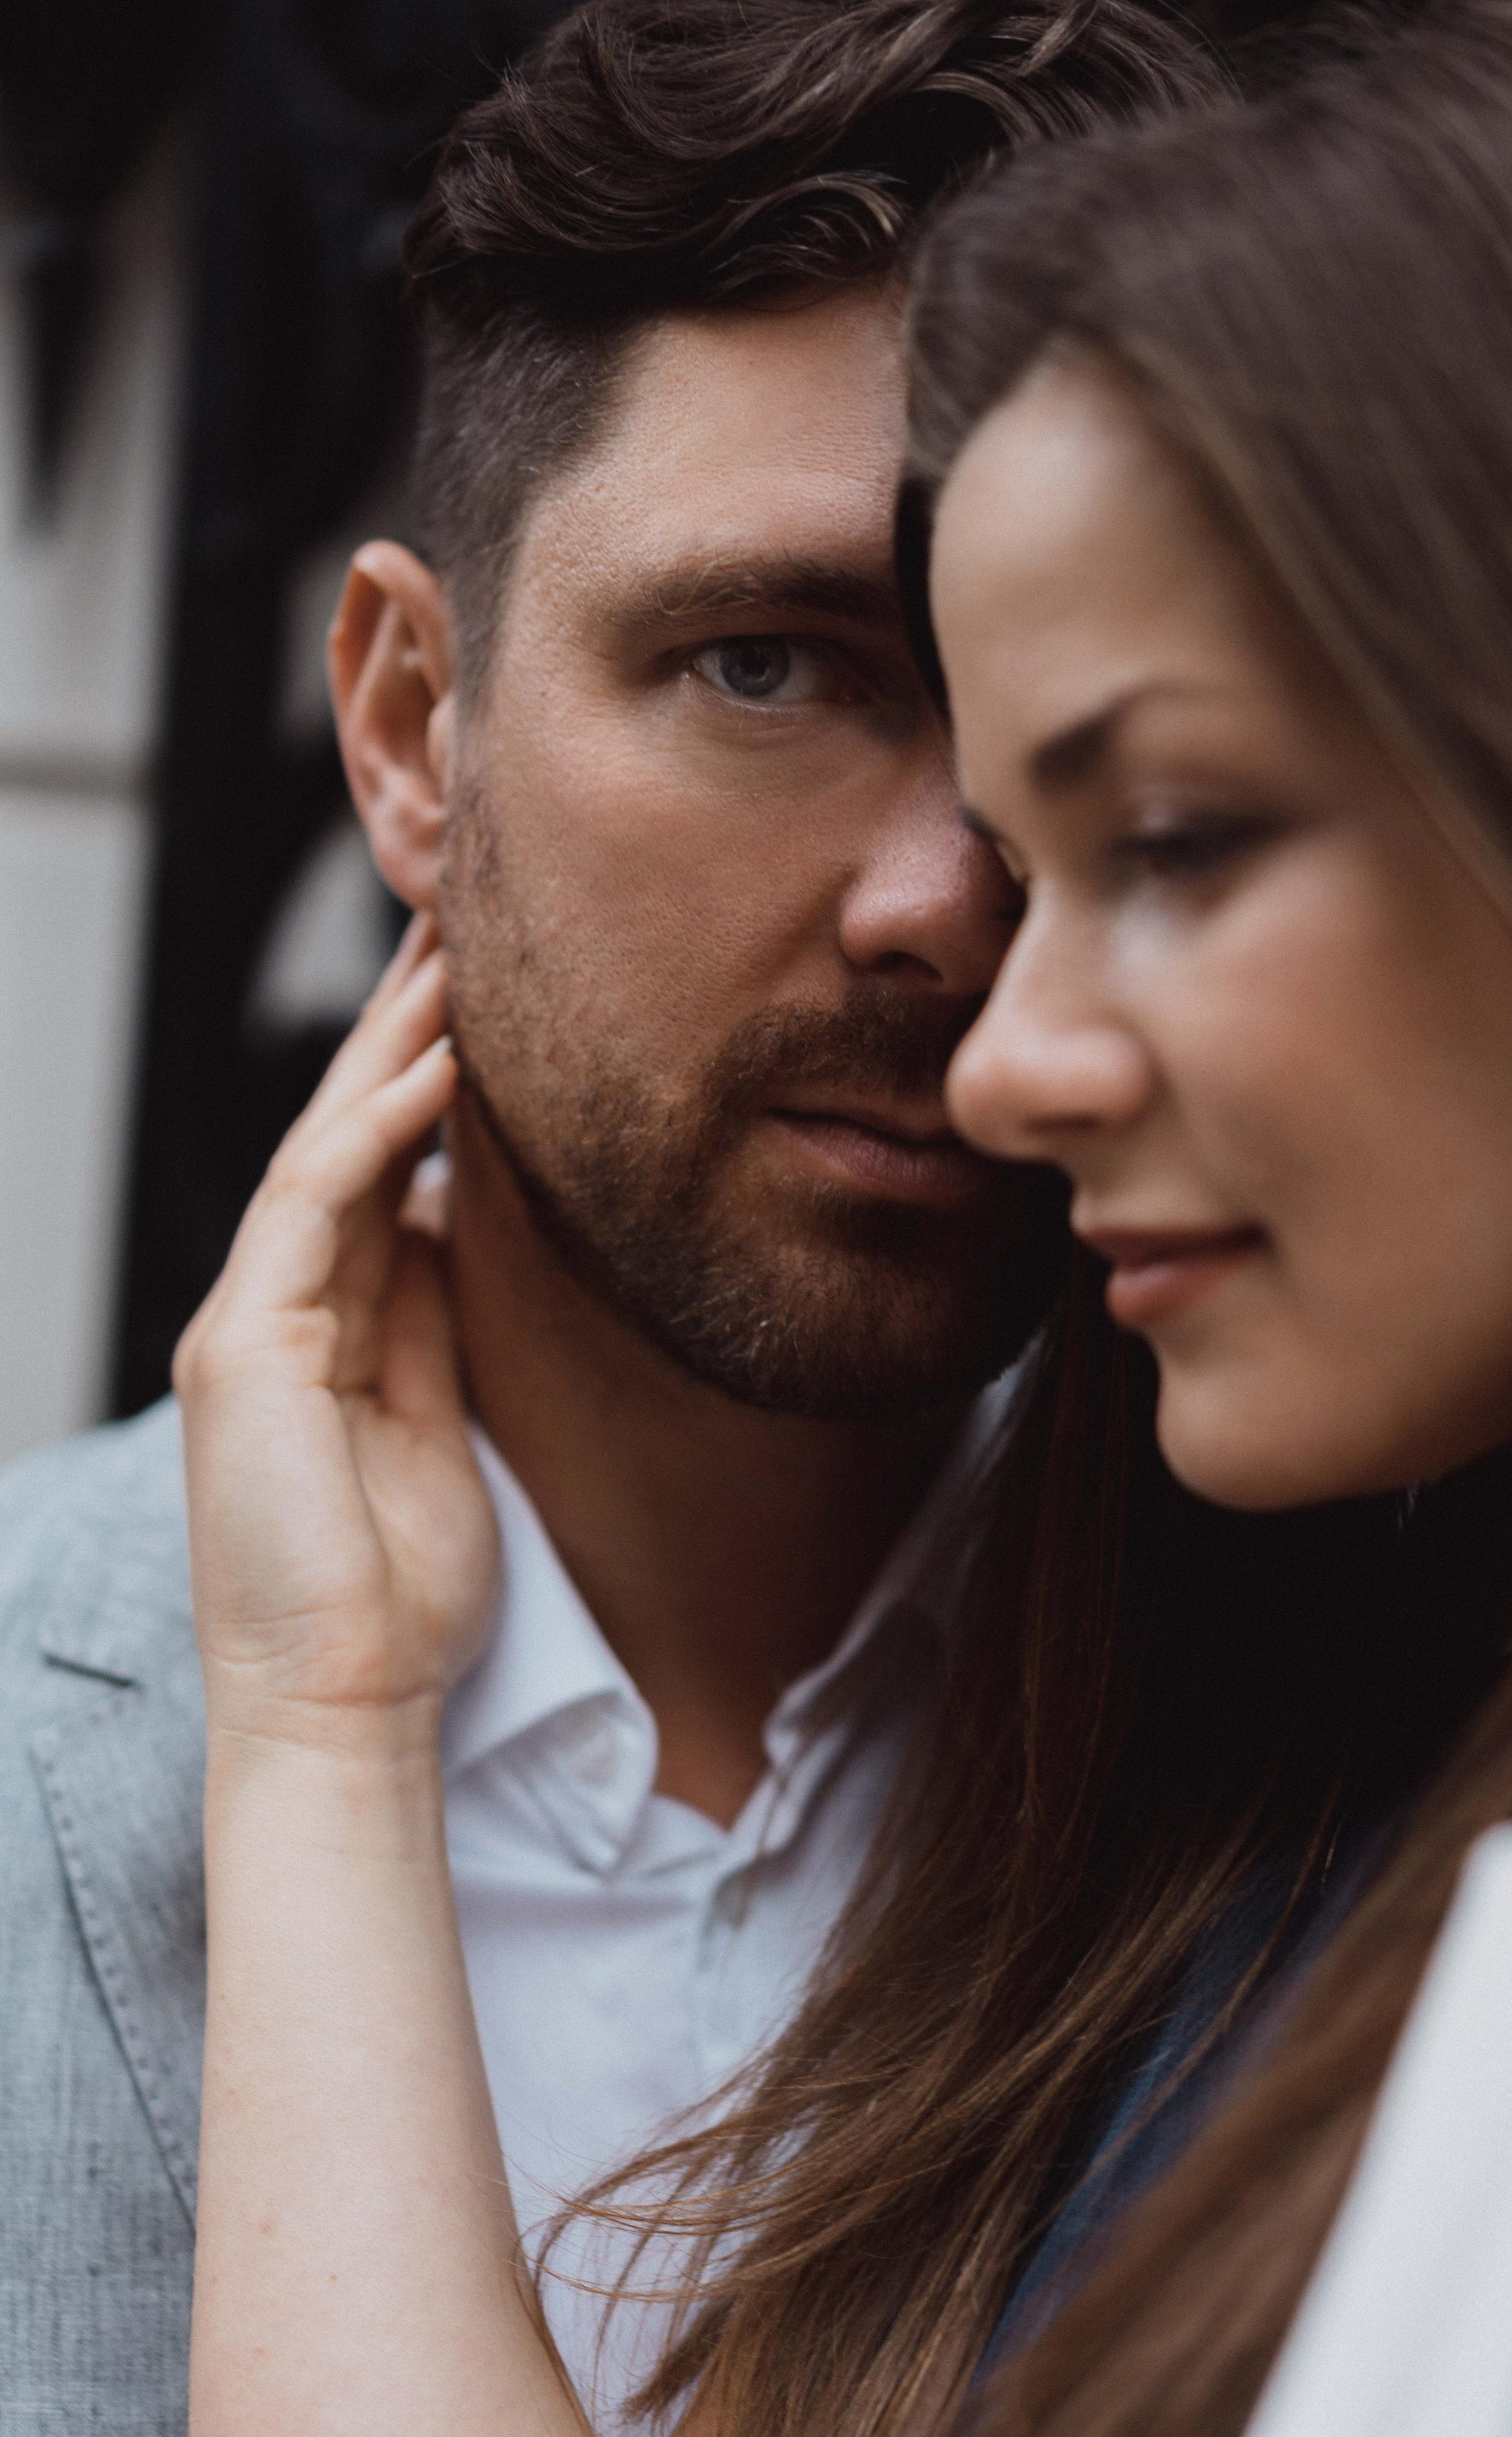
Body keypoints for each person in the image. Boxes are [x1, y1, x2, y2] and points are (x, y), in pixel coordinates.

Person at [0, 4, 1224, 2429]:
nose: (941, 901)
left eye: (1057, 716)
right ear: (405, 729)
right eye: (765, 665)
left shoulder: (1375, 1746)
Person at [898, 0, 1512, 2424]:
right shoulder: (1299, 1819)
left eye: (1179, 841)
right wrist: (325, 1728)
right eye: (1025, 882)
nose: (1003, 1066)